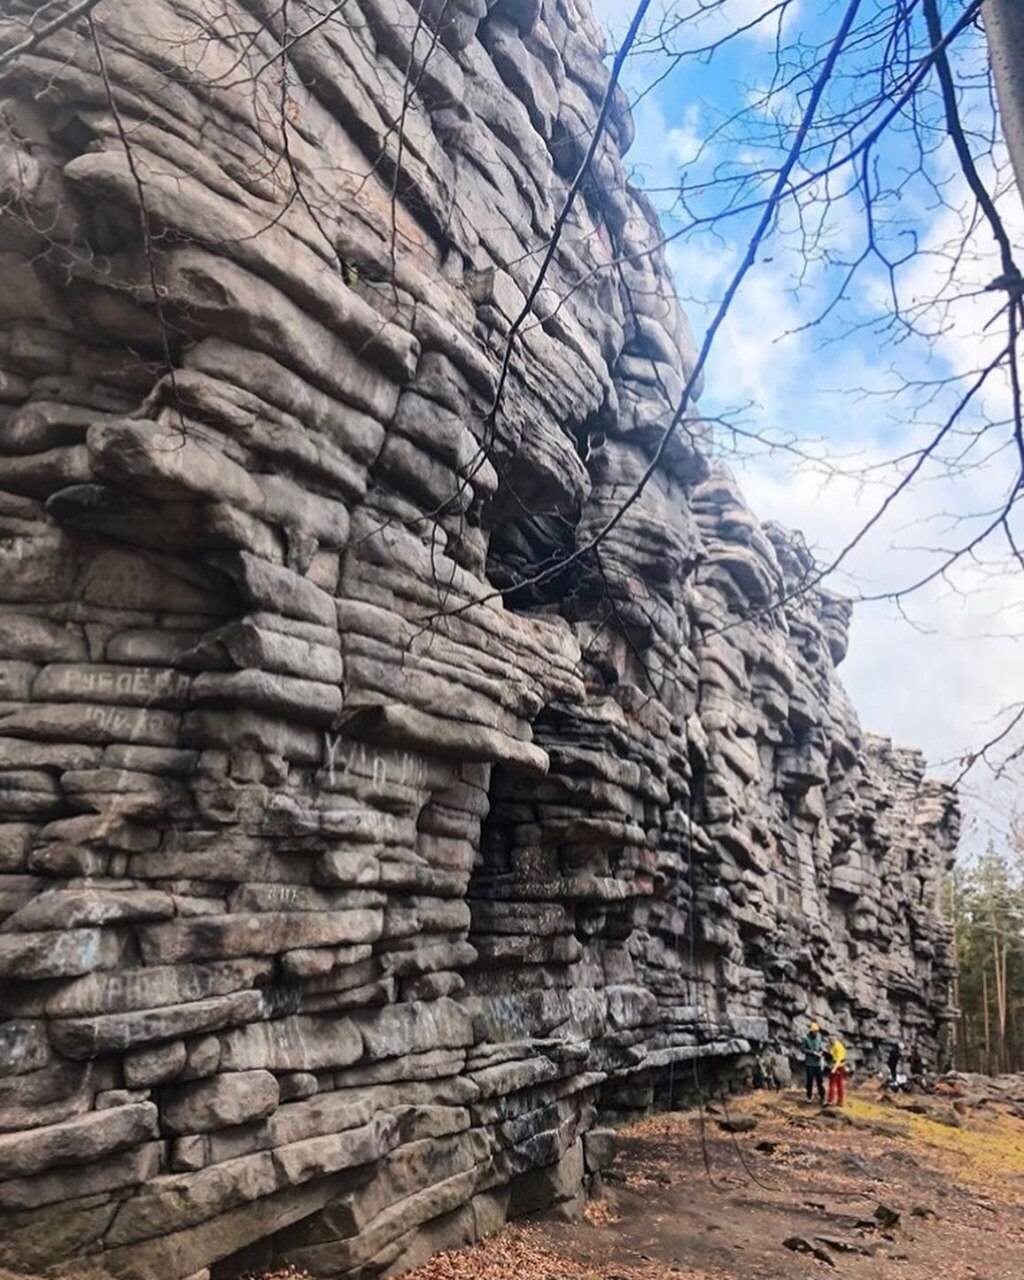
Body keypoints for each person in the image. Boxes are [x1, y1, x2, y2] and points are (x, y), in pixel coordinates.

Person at [801, 1021, 827, 1104]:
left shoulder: (819, 1037)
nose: (816, 1033)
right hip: (809, 1064)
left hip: (818, 1064)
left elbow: (821, 1048)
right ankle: (809, 1097)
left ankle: (822, 1097)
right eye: (814, 1032)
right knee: (810, 1081)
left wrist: (821, 1052)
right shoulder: (806, 1038)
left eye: (817, 1031)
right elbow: (803, 1049)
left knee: (820, 1081)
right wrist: (812, 1052)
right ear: (811, 1031)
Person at [827, 1033, 848, 1106]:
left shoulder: (838, 1047)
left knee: (832, 1084)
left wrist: (834, 1069)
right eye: (829, 1040)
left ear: (835, 1039)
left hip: (838, 1066)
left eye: (831, 1040)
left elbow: (838, 1060)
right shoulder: (834, 1045)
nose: (830, 1041)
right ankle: (840, 1101)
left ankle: (831, 1100)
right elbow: (832, 1053)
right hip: (840, 1065)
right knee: (840, 1083)